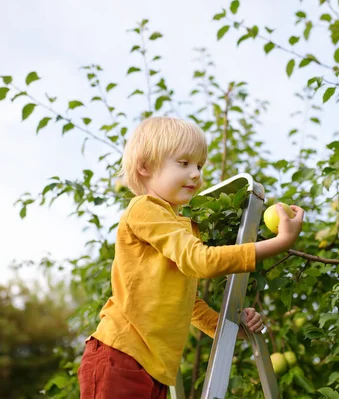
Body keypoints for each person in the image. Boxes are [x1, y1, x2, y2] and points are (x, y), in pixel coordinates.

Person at [77, 116, 304, 398]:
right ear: (145, 166)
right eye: (184, 163)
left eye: (199, 165)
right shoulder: (144, 208)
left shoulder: (179, 225)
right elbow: (201, 261)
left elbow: (190, 304)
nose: (196, 173)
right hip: (120, 354)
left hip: (155, 370)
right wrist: (281, 242)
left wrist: (234, 329)